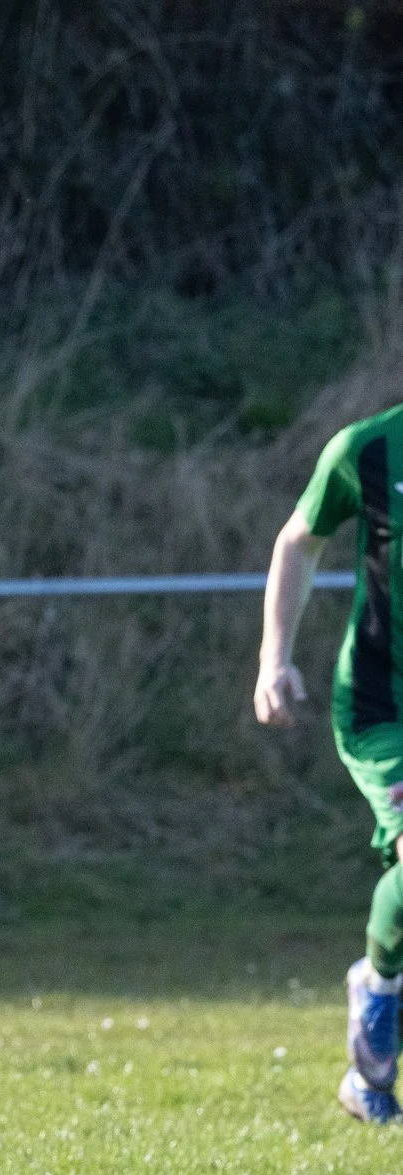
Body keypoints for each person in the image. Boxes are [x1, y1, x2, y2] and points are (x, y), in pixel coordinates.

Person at [257, 403, 403, 1124]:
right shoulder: (368, 451)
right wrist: (273, 658)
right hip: (385, 706)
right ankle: (380, 988)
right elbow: (299, 541)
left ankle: (380, 990)